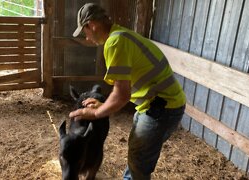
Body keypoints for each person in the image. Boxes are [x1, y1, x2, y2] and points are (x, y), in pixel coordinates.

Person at [69, 3, 186, 180]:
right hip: (158, 104)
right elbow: (124, 89)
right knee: (136, 155)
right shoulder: (121, 35)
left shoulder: (115, 42)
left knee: (139, 161)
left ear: (92, 25)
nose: (86, 38)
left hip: (162, 109)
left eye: (84, 31)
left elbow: (122, 95)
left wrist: (96, 113)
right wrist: (104, 104)